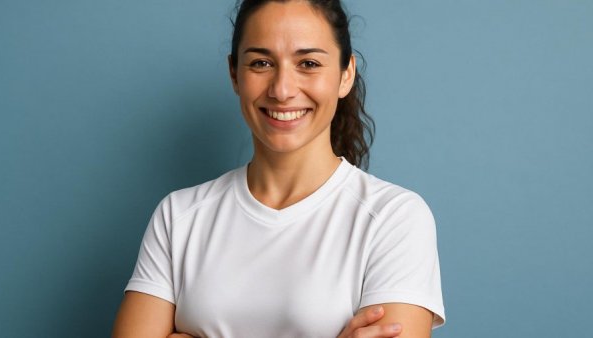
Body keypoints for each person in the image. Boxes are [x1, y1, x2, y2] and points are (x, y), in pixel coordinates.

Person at [112, 0, 445, 337]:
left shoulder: (394, 218)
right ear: (234, 74)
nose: (282, 90)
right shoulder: (178, 216)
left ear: (346, 75)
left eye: (309, 63)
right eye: (261, 63)